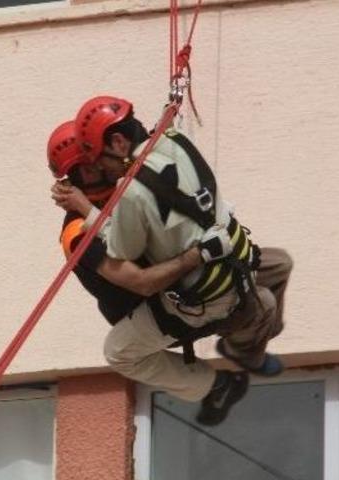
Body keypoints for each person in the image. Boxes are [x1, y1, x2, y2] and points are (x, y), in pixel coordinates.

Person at [73, 96, 294, 423]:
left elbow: (127, 258)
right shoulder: (175, 139)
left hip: (199, 298)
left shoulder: (130, 191)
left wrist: (86, 210)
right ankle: (249, 342)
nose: (101, 170)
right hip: (234, 254)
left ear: (118, 142)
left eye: (97, 160)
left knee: (118, 353)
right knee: (278, 267)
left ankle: (221, 375)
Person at [47, 120, 248, 425]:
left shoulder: (128, 189)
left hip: (191, 286)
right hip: (156, 304)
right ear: (77, 178)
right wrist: (198, 255)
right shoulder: (78, 231)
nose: (102, 164)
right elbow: (140, 283)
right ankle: (214, 385)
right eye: (91, 164)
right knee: (118, 352)